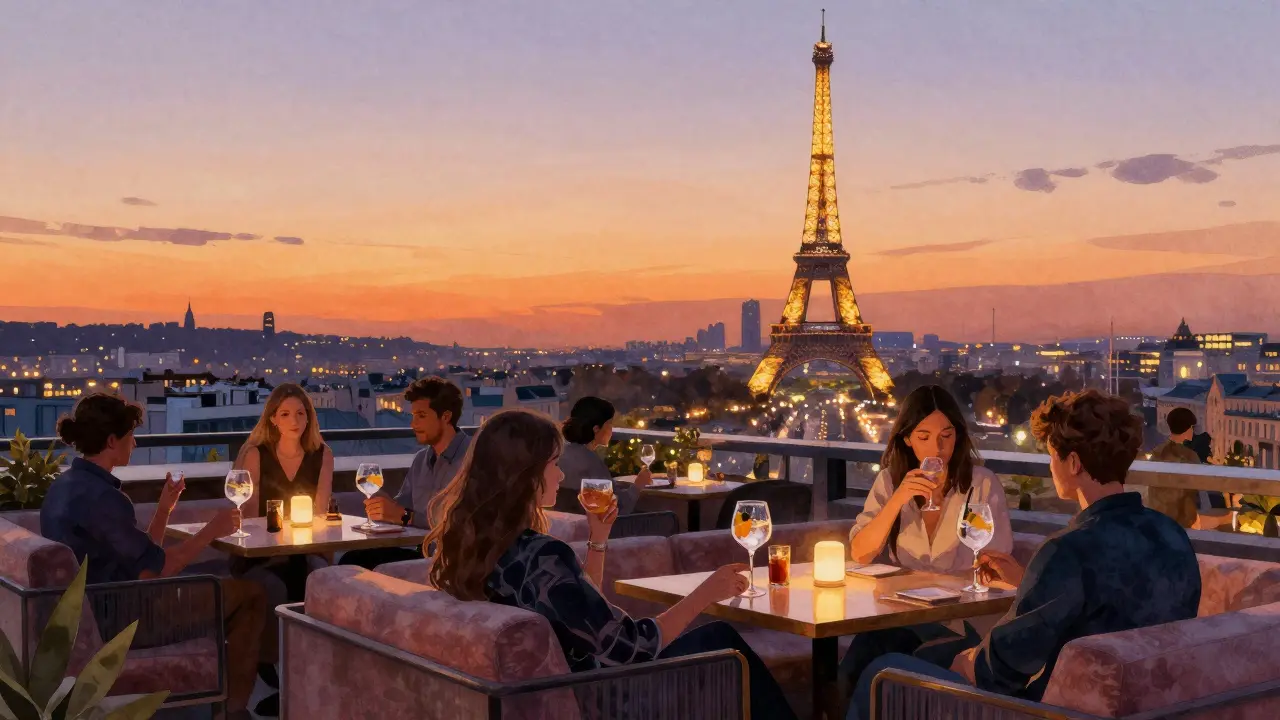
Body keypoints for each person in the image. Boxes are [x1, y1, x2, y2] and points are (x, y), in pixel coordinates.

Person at [847, 389, 1201, 720]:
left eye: (1052, 456)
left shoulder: (1067, 550)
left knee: (884, 670)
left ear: (1073, 463)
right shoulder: (1173, 536)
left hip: (1041, 710)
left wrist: (966, 661)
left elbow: (1000, 670)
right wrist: (1027, 582)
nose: (1050, 467)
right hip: (1147, 708)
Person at [425, 409, 797, 720]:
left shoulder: (482, 550)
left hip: (565, 692)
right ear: (524, 475)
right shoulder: (542, 555)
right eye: (553, 464)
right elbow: (630, 648)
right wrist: (706, 593)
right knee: (721, 642)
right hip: (606, 698)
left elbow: (581, 624)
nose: (561, 475)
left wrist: (598, 539)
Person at [40, 393, 266, 720]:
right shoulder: (104, 498)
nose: (135, 444)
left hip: (98, 607)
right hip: (123, 617)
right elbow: (155, 572)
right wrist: (211, 530)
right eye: (131, 436)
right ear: (111, 441)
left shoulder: (67, 486)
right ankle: (232, 714)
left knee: (223, 585)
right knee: (251, 595)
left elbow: (141, 557)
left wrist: (163, 509)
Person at [839, 385, 1013, 697]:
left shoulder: (980, 485)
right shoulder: (891, 482)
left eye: (946, 435)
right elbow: (860, 553)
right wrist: (897, 501)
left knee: (883, 659)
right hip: (905, 614)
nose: (937, 447)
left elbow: (994, 563)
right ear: (907, 438)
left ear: (957, 436)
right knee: (862, 658)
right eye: (924, 436)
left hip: (962, 619)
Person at [233, 382, 334, 716]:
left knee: (328, 581)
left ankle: (312, 672)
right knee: (275, 585)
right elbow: (248, 521)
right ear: (273, 418)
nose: (295, 420)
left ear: (310, 419)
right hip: (261, 554)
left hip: (304, 552)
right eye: (286, 413)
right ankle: (276, 670)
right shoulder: (255, 454)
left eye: (301, 414)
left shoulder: (322, 455)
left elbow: (319, 517)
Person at [340, 376, 469, 568]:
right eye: (413, 416)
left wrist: (404, 516)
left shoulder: (472, 458)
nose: (413, 424)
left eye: (421, 416)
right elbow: (402, 508)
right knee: (352, 561)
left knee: (358, 565)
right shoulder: (421, 460)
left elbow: (461, 521)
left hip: (452, 559)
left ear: (446, 416)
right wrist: (383, 504)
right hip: (420, 552)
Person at [559, 397, 651, 514]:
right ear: (596, 429)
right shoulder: (591, 463)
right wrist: (638, 484)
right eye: (609, 424)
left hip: (563, 525)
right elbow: (618, 509)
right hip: (597, 529)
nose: (611, 429)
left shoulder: (560, 454)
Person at [1147, 407, 1202, 528]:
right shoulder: (1190, 456)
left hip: (1158, 515)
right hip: (1182, 516)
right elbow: (1199, 486)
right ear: (1188, 428)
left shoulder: (1157, 452)